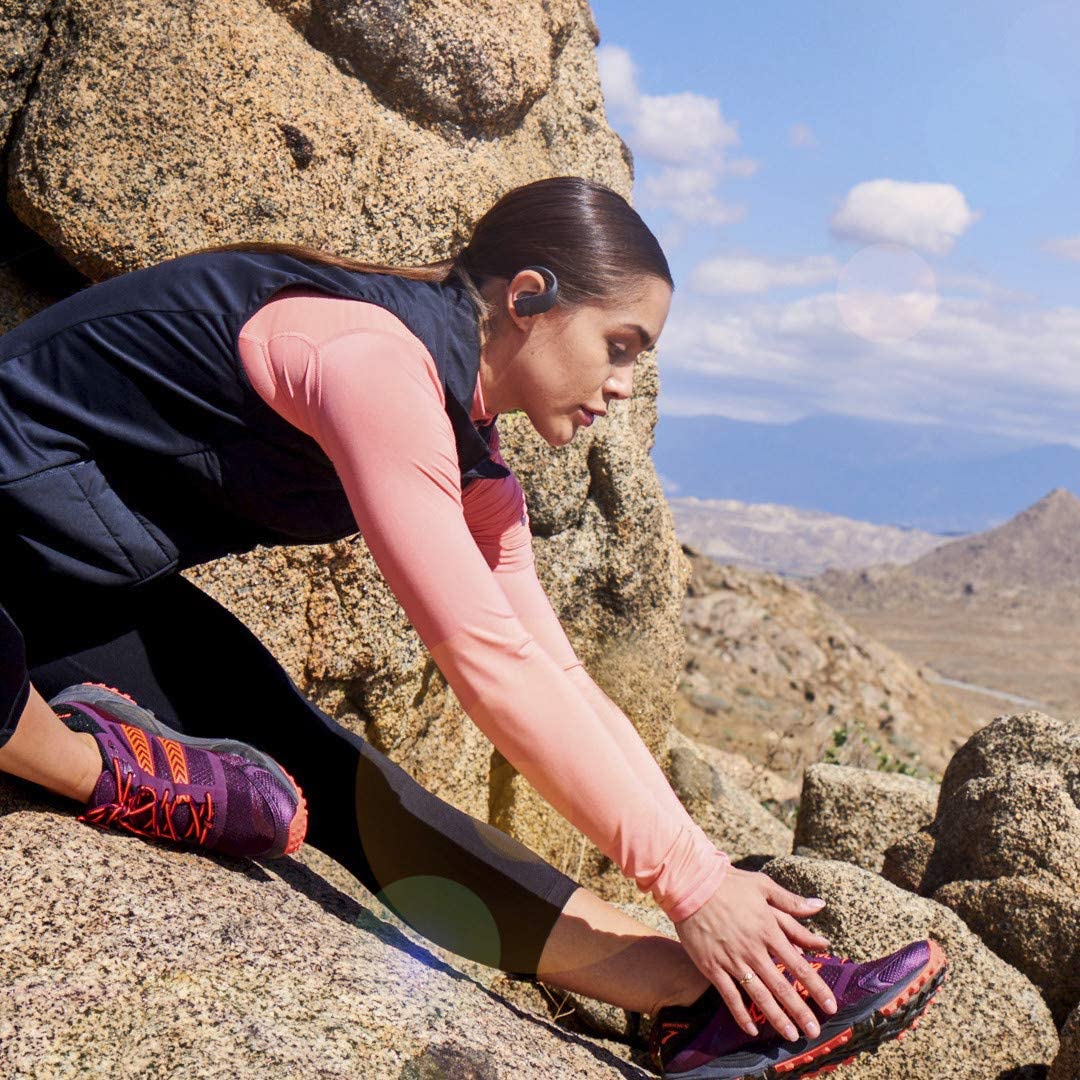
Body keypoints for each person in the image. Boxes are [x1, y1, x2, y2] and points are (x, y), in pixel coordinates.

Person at [0, 175, 945, 1077]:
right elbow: (485, 663)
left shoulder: (478, 468)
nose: (623, 386)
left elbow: (553, 675)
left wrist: (701, 891)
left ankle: (688, 999)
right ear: (529, 296)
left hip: (67, 595)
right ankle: (90, 765)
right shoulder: (370, 361)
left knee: (328, 777)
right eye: (620, 344)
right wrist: (691, 881)